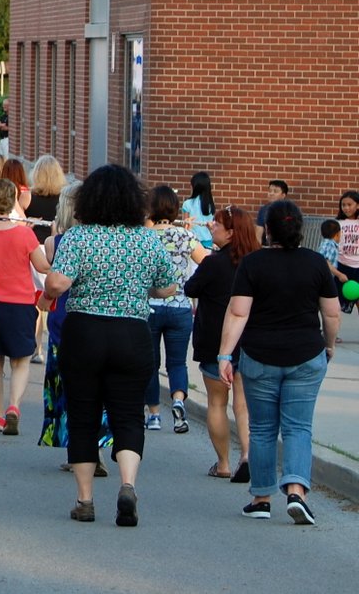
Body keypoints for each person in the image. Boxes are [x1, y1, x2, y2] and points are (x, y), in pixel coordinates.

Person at [41, 164, 177, 527]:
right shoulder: (147, 240)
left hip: (85, 331)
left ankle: (85, 500)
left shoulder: (79, 237)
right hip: (132, 333)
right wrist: (136, 287)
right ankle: (128, 485)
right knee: (128, 415)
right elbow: (168, 286)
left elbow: (56, 284)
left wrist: (47, 296)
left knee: (83, 415)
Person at [219, 199, 339, 524]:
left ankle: (261, 498)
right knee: (299, 427)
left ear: (268, 230)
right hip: (306, 353)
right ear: (299, 229)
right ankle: (297, 491)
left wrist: (224, 354)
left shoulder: (253, 264)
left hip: (260, 355)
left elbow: (238, 312)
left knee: (262, 428)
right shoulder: (316, 263)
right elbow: (330, 313)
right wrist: (328, 346)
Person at [37, 182, 111, 476]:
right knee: (98, 388)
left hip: (64, 323)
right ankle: (97, 448)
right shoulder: (104, 241)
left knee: (67, 389)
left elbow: (53, 283)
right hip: (96, 321)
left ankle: (75, 449)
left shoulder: (56, 243)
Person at [186, 205, 258, 482]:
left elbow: (190, 288)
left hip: (215, 341)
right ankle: (248, 455)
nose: (211, 227)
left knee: (217, 403)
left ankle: (224, 462)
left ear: (231, 232)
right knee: (244, 405)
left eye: (216, 224)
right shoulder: (255, 261)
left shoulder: (214, 263)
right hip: (249, 340)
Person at [0, 179, 50, 436]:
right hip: (20, 303)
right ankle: (14, 406)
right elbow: (41, 266)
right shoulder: (25, 233)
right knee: (21, 360)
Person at [143, 185, 209, 433]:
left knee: (150, 362)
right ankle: (179, 403)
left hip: (149, 306)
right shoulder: (186, 237)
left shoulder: (145, 237)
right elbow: (205, 263)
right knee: (177, 362)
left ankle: (154, 414)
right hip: (180, 307)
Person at [26, 155, 66, 361]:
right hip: (54, 246)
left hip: (34, 249)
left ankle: (36, 347)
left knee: (36, 299)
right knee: (54, 298)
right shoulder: (63, 199)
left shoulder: (29, 197)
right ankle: (50, 343)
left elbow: (21, 221)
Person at [333, 191, 359, 315]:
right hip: (343, 267)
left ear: (357, 205)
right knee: (335, 306)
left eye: (349, 204)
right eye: (343, 205)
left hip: (358, 267)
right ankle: (333, 333)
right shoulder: (338, 224)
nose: (346, 208)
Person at [181, 171, 216, 249]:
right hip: (209, 242)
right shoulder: (210, 204)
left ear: (194, 186)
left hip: (193, 242)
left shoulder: (187, 204)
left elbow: (185, 224)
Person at [254, 179, 288, 246]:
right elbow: (258, 235)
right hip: (266, 247)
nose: (271, 193)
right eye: (270, 191)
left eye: (275, 191)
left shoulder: (289, 210)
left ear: (283, 195)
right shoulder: (263, 210)